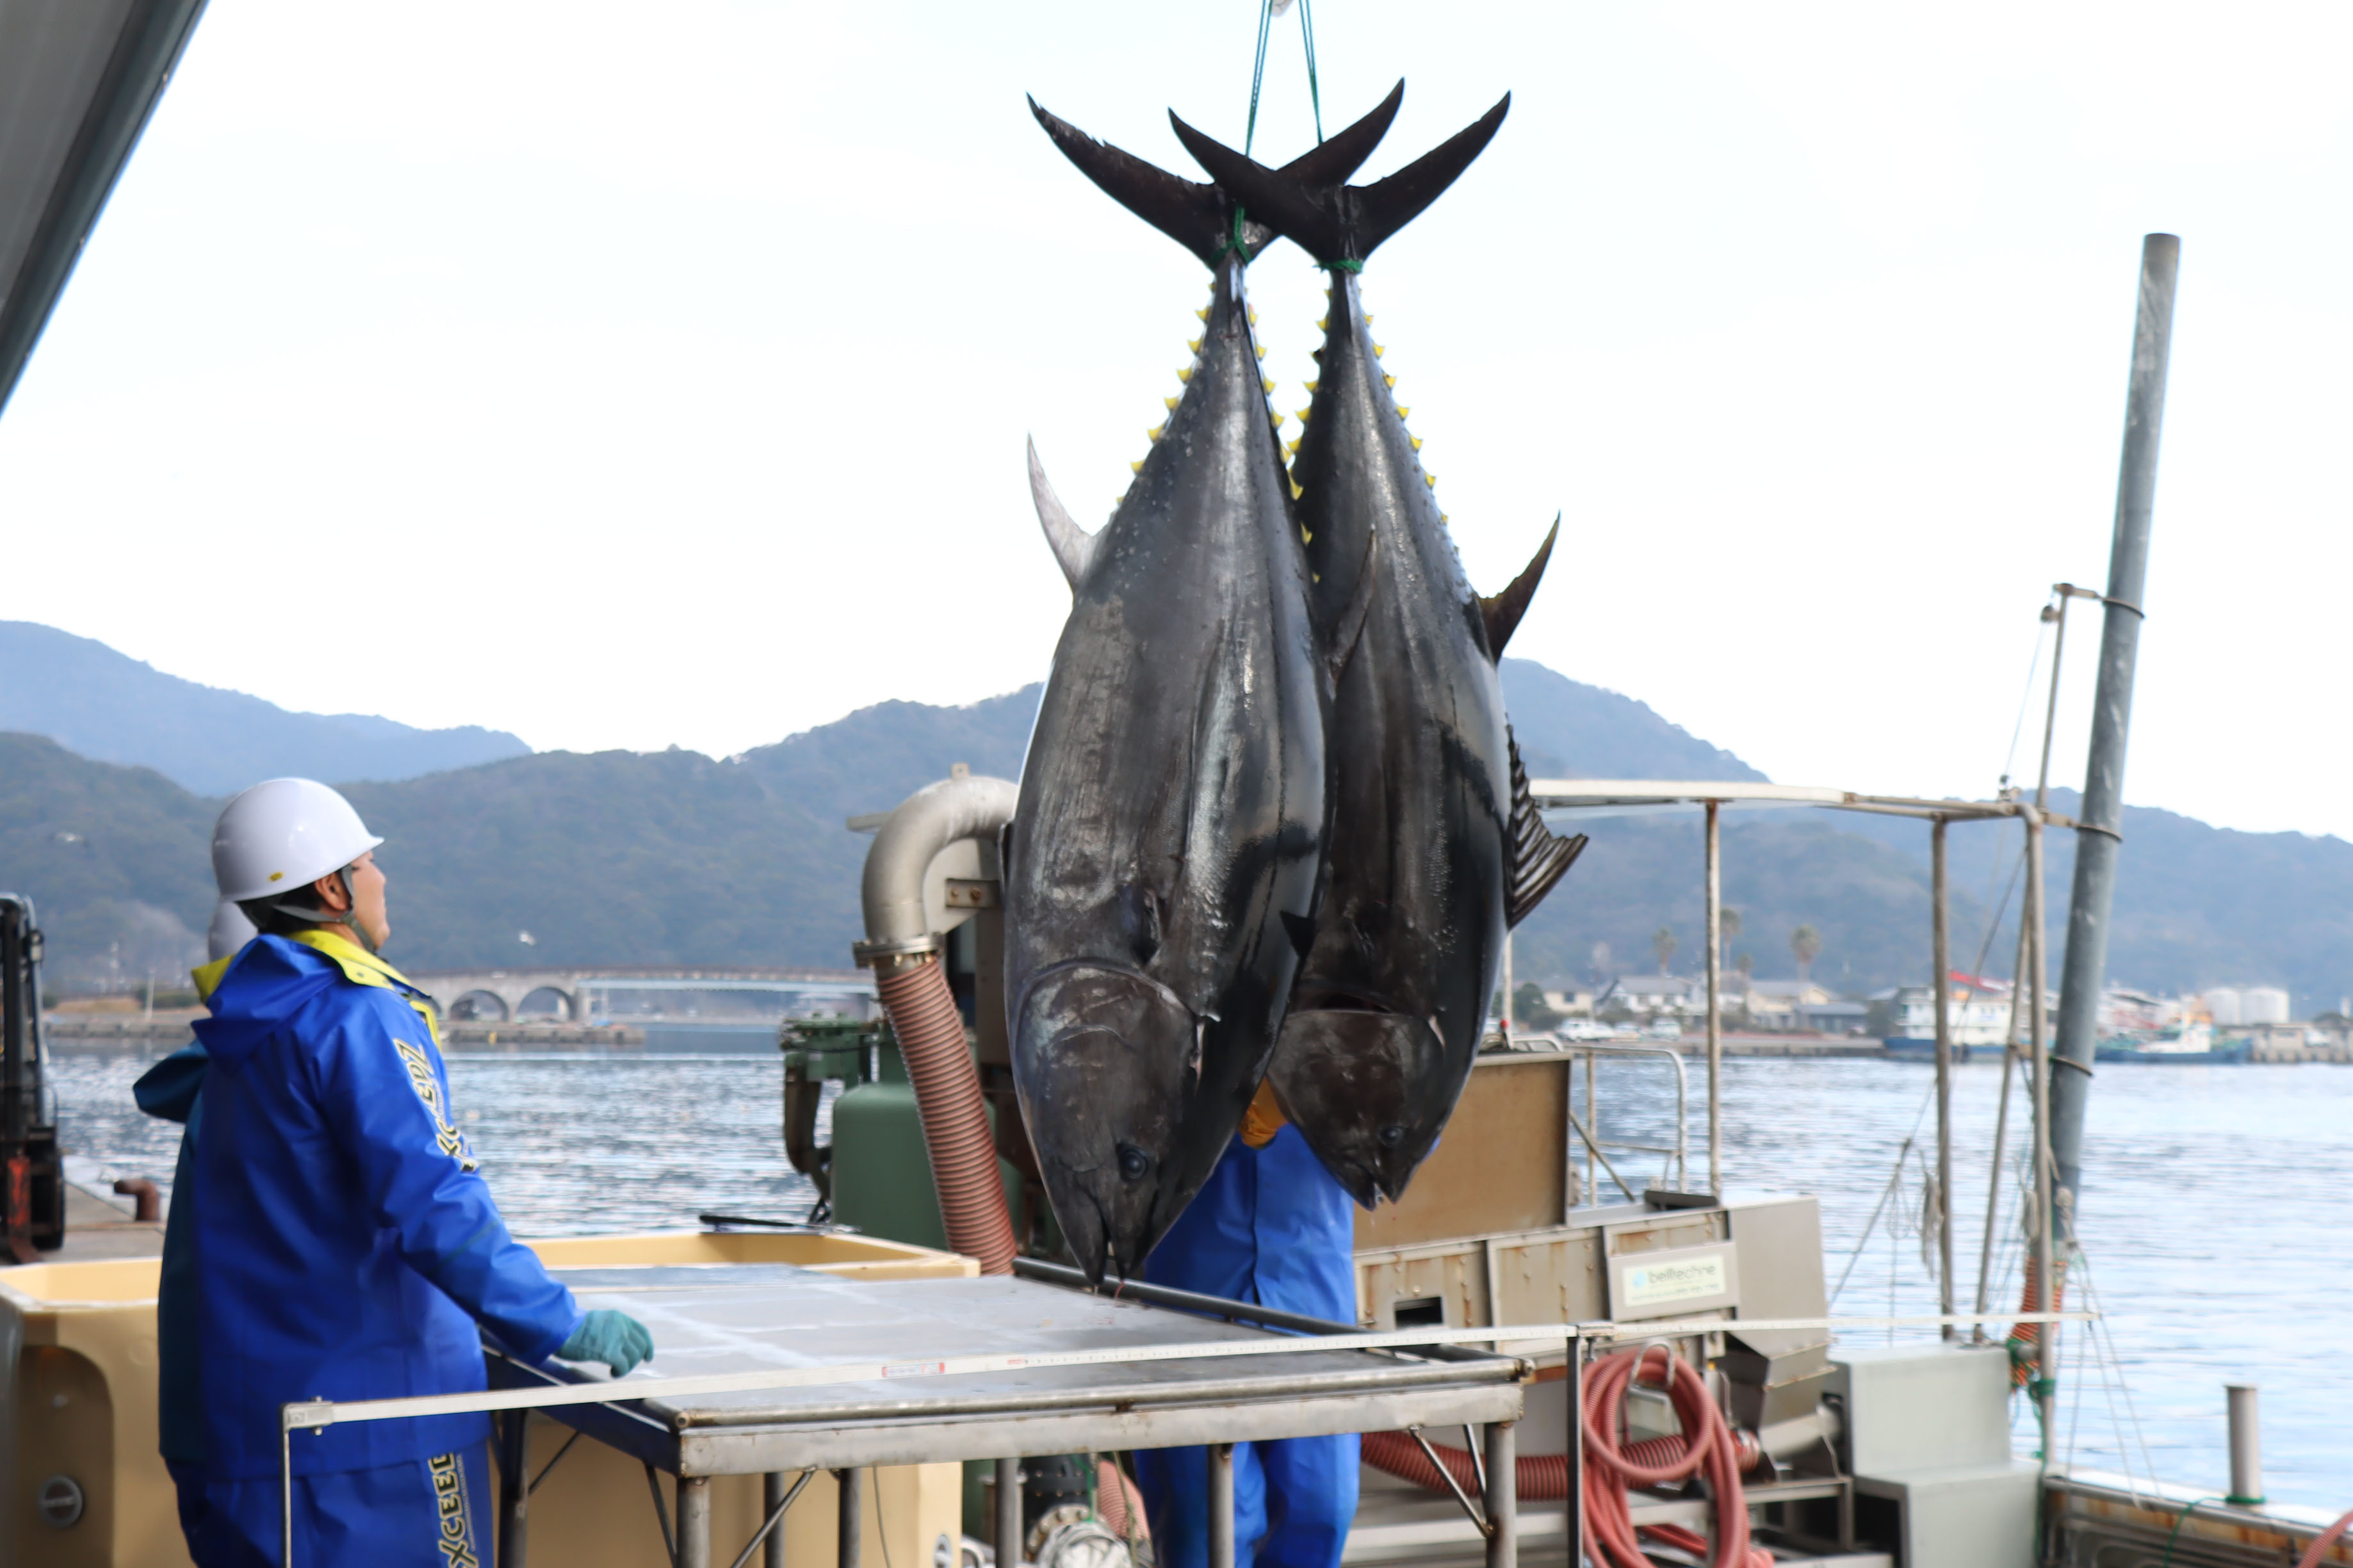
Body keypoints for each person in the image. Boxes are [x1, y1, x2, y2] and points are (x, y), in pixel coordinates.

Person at [167, 776, 653, 1567]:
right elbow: (436, 1199)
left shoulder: (241, 1035)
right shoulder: (359, 1015)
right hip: (375, 1433)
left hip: (256, 1428)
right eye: (366, 863)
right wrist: (557, 1319)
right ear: (332, 887)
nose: (381, 878)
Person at [1134, 1084, 1359, 1568]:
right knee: (1204, 1523)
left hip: (1313, 1286)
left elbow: (1417, 1104)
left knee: (1324, 1507)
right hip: (1195, 1286)